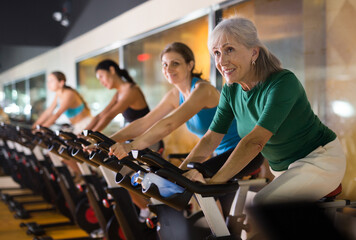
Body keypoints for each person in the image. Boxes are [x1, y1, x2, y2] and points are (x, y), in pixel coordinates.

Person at [180, 17, 346, 205]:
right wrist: (178, 175)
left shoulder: (282, 83)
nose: (222, 61)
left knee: (261, 206)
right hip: (285, 170)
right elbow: (211, 138)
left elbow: (255, 142)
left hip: (319, 161)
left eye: (229, 50)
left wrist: (216, 181)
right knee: (248, 218)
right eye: (216, 53)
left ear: (254, 52)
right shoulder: (231, 90)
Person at [106, 42, 262, 212]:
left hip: (244, 152)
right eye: (165, 64)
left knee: (190, 182)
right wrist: (107, 141)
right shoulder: (175, 95)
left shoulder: (203, 90)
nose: (168, 68)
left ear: (190, 65)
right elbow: (145, 122)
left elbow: (170, 123)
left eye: (175, 63)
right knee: (182, 181)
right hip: (220, 153)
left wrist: (131, 146)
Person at [32, 71, 92, 175]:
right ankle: (81, 175)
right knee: (61, 151)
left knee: (66, 152)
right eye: (48, 81)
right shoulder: (58, 95)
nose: (48, 83)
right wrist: (35, 126)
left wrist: (41, 128)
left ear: (61, 82)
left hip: (86, 125)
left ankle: (86, 176)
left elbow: (57, 114)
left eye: (51, 81)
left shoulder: (69, 94)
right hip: (77, 126)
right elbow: (48, 112)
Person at [84, 59, 150, 132]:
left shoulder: (132, 90)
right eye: (99, 79)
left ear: (112, 70)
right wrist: (82, 133)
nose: (101, 82)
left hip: (150, 138)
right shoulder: (118, 94)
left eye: (101, 76)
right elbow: (100, 115)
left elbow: (109, 116)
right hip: (137, 136)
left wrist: (89, 137)